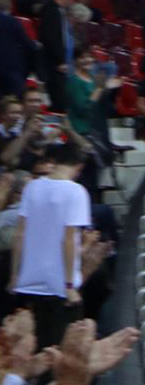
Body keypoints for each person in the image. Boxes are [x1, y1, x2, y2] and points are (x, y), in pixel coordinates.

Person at [7, 144, 91, 350]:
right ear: (78, 167)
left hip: (29, 281)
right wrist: (70, 286)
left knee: (31, 347)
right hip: (59, 286)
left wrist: (15, 275)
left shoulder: (32, 187)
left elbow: (20, 234)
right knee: (61, 349)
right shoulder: (76, 192)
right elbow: (69, 239)